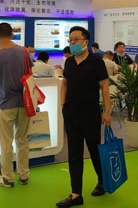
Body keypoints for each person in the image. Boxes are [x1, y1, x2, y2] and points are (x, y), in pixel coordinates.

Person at [56, 26, 111, 208]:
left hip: (91, 114)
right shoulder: (69, 62)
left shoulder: (96, 61)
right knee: (74, 154)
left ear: (85, 42)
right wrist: (63, 105)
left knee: (95, 150)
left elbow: (104, 87)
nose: (72, 42)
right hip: (71, 114)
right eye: (70, 39)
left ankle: (102, 181)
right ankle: (76, 194)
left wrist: (107, 112)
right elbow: (64, 83)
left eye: (75, 39)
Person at [0, 22, 30, 188]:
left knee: (6, 143)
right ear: (12, 35)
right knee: (22, 140)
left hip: (6, 103)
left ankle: (7, 178)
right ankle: (24, 175)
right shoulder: (24, 51)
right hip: (25, 102)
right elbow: (29, 73)